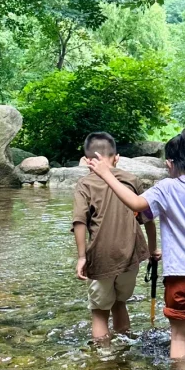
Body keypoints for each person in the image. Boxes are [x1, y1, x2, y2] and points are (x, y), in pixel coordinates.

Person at [82, 127, 185, 362]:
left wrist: (107, 174)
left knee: (179, 335)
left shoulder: (167, 187)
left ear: (170, 163)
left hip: (183, 273)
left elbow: (137, 204)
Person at [72, 131, 159, 345]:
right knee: (120, 303)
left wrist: (82, 257)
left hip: (101, 256)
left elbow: (79, 222)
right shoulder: (132, 180)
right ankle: (124, 347)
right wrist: (152, 250)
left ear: (87, 160)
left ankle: (104, 356)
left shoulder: (85, 184)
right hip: (130, 254)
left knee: (99, 311)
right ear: (116, 158)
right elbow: (148, 219)